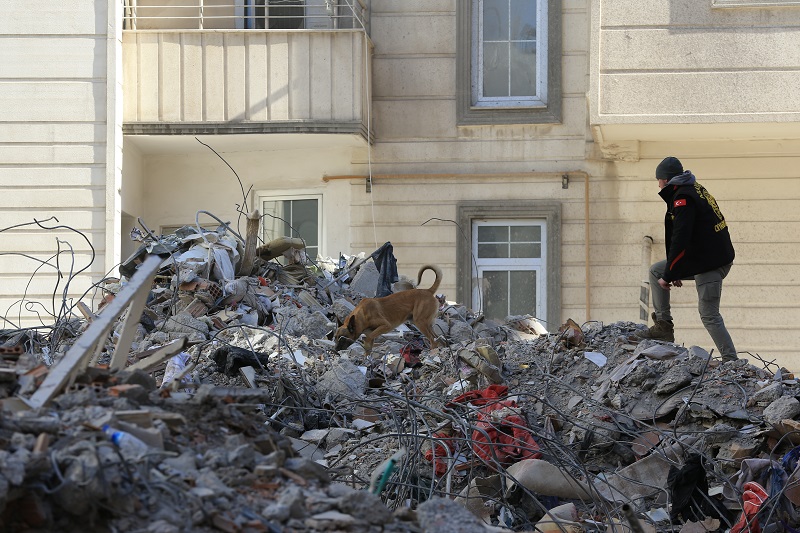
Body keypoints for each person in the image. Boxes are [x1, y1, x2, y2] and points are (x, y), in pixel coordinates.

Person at [636, 156, 738, 361]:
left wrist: (673, 271)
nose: (658, 184)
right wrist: (675, 269)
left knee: (708, 314)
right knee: (657, 271)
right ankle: (664, 327)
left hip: (711, 263)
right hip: (704, 255)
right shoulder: (692, 187)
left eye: (659, 180)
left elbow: (681, 238)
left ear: (666, 180)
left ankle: (731, 361)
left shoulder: (683, 198)